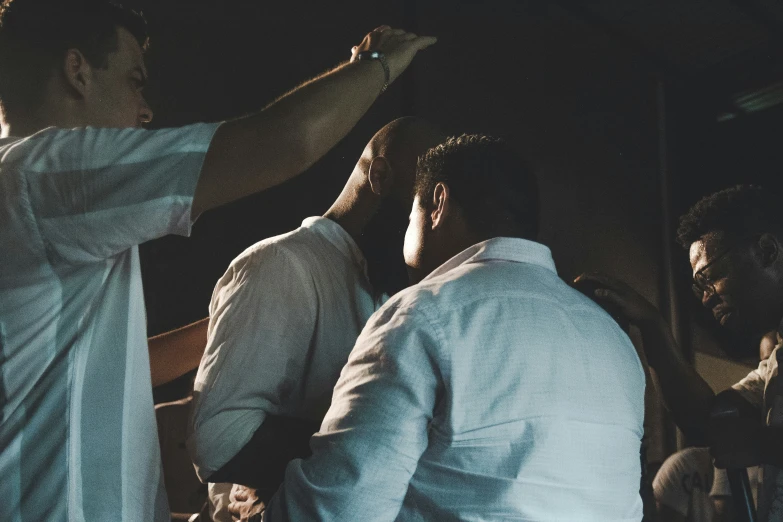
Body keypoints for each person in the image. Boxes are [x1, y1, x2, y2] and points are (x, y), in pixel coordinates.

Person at [0, 0, 436, 518]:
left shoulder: (31, 195)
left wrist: (231, 325)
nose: (145, 110)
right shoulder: (42, 176)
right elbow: (281, 143)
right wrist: (379, 64)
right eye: (135, 79)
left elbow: (103, 362)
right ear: (77, 72)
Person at [261, 134, 646, 521]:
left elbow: (335, 511)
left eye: (409, 213)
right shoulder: (611, 337)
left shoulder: (421, 315)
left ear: (437, 203)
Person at [186, 117, 445, 516]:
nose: (430, 223)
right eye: (426, 202)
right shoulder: (279, 265)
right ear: (379, 175)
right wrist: (367, 447)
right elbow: (219, 441)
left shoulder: (386, 286)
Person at [578, 185, 783, 522]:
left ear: (765, 250)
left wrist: (763, 444)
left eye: (709, 278)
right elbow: (708, 420)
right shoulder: (775, 362)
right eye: (698, 287)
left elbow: (747, 439)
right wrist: (653, 326)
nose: (706, 298)